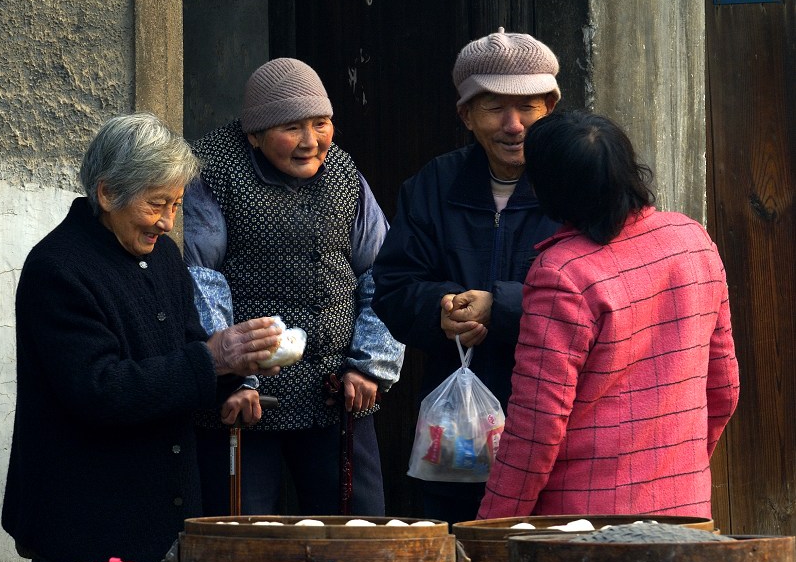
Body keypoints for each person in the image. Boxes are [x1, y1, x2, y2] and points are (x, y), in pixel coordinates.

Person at [2, 112, 284, 562]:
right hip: (89, 535)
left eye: (175, 204)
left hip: (164, 532)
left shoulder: (163, 256)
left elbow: (191, 344)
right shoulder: (58, 268)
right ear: (107, 194)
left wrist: (235, 373)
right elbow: (100, 390)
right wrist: (212, 360)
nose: (168, 221)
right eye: (157, 204)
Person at [477, 110, 740, 519]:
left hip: (584, 523)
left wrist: (490, 527)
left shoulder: (563, 272)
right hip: (686, 513)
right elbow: (724, 390)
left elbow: (536, 429)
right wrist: (679, 467)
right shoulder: (693, 240)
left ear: (550, 189)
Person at [183, 58, 404, 517]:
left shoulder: (344, 172)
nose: (311, 141)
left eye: (321, 124)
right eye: (292, 128)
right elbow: (199, 278)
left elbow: (383, 272)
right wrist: (232, 377)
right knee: (241, 538)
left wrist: (370, 366)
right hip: (247, 402)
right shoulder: (215, 172)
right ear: (254, 135)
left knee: (356, 536)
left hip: (338, 391)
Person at [371, 29, 562, 524]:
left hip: (556, 425)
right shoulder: (434, 184)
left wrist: (501, 306)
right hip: (459, 437)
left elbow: (599, 292)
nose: (514, 125)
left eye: (529, 107)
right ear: (466, 116)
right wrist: (441, 308)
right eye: (495, 107)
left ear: (551, 107)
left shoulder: (575, 184)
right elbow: (393, 287)